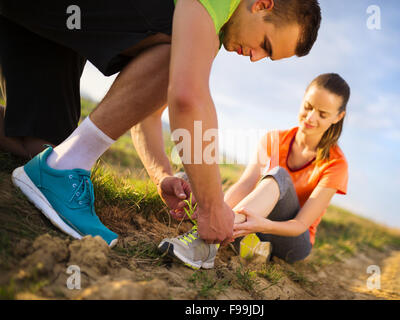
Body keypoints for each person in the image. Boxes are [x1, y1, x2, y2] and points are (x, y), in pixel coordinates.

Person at [3, 0, 321, 248]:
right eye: (266, 44)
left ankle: (59, 162)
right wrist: (211, 206)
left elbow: (146, 110)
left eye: (266, 57)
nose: (255, 58)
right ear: (262, 4)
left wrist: (162, 176)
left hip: (41, 20)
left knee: (38, 144)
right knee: (176, 48)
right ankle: (64, 168)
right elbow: (186, 98)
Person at [159, 73, 349, 268]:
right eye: (308, 106)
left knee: (279, 175)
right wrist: (217, 213)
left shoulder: (336, 164)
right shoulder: (273, 139)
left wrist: (262, 225)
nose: (310, 117)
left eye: (322, 114)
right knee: (184, 181)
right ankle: (235, 236)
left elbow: (300, 225)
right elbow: (246, 183)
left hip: (292, 239)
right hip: (255, 222)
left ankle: (206, 243)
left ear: (338, 117)